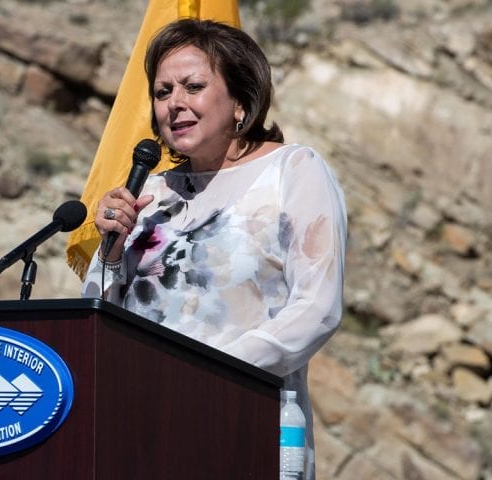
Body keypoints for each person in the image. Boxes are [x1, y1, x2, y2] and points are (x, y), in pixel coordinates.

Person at [81, 19, 347, 480]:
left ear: (241, 100)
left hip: (245, 421)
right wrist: (110, 252)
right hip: (141, 430)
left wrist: (205, 375)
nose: (175, 103)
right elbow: (98, 322)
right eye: (163, 92)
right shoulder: (150, 192)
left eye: (193, 86)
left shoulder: (292, 170)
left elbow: (317, 308)